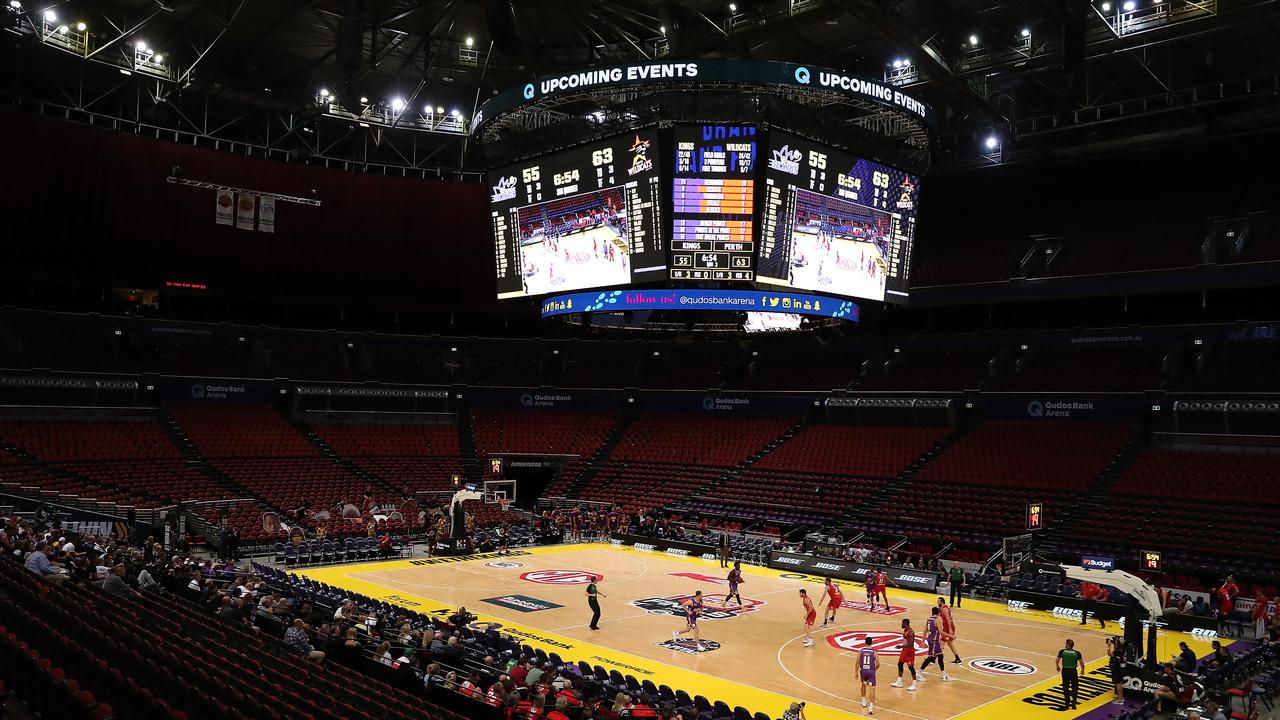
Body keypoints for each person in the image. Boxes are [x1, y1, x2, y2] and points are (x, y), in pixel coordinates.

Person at [918, 607, 952, 682]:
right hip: (934, 641)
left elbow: (924, 630)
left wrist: (923, 641)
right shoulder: (938, 619)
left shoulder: (929, 619)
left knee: (940, 656)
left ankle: (944, 675)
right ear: (939, 612)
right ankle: (919, 673)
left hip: (932, 641)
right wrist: (951, 636)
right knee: (930, 658)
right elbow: (941, 632)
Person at [890, 618, 918, 691]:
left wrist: (901, 646)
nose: (901, 624)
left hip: (909, 651)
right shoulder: (905, 631)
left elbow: (911, 644)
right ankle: (899, 682)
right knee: (900, 664)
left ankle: (914, 684)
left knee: (911, 667)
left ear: (905, 624)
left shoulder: (911, 632)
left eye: (902, 623)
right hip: (905, 650)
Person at [1056, 638, 1084, 710]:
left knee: (1065, 687)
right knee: (1075, 687)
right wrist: (1082, 670)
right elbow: (1082, 663)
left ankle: (1067, 703)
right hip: (1073, 671)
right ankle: (1074, 703)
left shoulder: (1062, 651)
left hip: (1065, 670)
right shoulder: (1077, 653)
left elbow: (1057, 660)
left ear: (1067, 645)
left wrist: (1057, 666)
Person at [858, 635, 880, 714]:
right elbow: (878, 664)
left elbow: (857, 662)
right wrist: (874, 670)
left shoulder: (861, 651)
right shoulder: (874, 652)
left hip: (863, 671)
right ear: (871, 643)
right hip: (871, 671)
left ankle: (863, 700)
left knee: (863, 685)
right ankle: (870, 708)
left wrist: (856, 673)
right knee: (872, 688)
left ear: (865, 642)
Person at [936, 597, 961, 664]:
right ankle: (957, 658)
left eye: (939, 601)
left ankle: (933, 658)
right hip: (946, 627)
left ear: (942, 602)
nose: (937, 603)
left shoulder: (945, 609)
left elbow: (948, 620)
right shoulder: (942, 609)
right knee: (950, 644)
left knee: (942, 643)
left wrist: (950, 629)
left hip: (948, 627)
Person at [1106, 636, 1125, 705]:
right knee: (1119, 682)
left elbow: (1109, 654)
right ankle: (1120, 697)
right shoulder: (1122, 648)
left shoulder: (1118, 651)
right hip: (1119, 667)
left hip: (1116, 667)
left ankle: (1120, 700)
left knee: (1118, 683)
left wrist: (1108, 646)